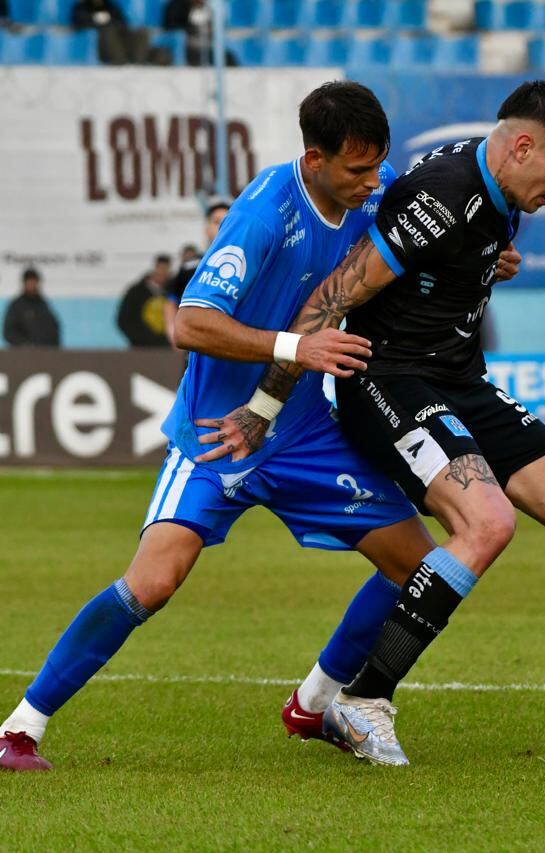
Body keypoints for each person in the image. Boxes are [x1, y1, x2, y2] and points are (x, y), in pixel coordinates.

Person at [195, 80, 545, 765]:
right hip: (387, 380)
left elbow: (451, 258)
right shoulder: (442, 198)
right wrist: (264, 406)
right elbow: (333, 295)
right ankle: (362, 701)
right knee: (487, 523)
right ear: (521, 146)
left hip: (457, 381)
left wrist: (485, 260)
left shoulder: (498, 193)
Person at [0, 82, 441, 772]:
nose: (372, 181)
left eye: (377, 165)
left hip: (299, 431)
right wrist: (296, 348)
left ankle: (317, 701)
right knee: (151, 584)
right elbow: (191, 324)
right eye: (358, 169)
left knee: (420, 565)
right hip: (215, 435)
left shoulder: (370, 203)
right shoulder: (265, 212)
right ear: (315, 158)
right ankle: (21, 727)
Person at [165, 199, 231, 347]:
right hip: (196, 348)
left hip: (233, 347)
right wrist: (173, 331)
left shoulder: (250, 264)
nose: (221, 226)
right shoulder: (191, 266)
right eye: (216, 221)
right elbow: (171, 302)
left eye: (226, 221)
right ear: (206, 229)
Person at [117, 255, 173, 347]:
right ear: (155, 268)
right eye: (160, 268)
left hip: (168, 350)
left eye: (166, 269)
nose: (162, 273)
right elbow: (124, 320)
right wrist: (140, 339)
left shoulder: (173, 292)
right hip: (141, 348)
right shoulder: (136, 292)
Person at [71, 0, 151, 65]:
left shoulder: (110, 6)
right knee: (109, 31)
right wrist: (94, 19)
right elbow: (78, 23)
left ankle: (138, 62)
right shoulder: (82, 7)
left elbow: (123, 22)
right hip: (103, 45)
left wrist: (109, 20)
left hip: (120, 38)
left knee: (142, 32)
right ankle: (119, 60)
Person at [3, 267, 61, 348]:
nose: (31, 284)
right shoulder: (16, 306)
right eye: (29, 281)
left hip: (44, 354)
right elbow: (8, 332)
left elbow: (54, 329)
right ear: (24, 283)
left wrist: (53, 349)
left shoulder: (43, 304)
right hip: (22, 356)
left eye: (34, 281)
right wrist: (24, 344)